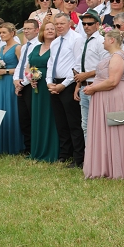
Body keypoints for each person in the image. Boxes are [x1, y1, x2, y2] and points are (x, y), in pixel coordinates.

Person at [82, 28, 124, 180]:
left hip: (117, 97)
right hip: (109, 97)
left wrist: (93, 88)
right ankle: (108, 166)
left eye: (105, 39)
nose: (103, 42)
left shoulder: (118, 57)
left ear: (112, 40)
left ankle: (122, 168)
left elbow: (113, 81)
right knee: (112, 130)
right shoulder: (113, 56)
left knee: (119, 130)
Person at [46, 13, 85, 167]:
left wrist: (65, 84)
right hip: (55, 83)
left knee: (73, 122)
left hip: (69, 84)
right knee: (61, 121)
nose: (59, 26)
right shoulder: (55, 42)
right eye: (56, 24)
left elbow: (77, 64)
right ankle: (64, 153)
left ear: (69, 23)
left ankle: (78, 156)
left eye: (62, 23)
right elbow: (51, 63)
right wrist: (49, 82)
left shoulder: (76, 39)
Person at [72, 11, 106, 145]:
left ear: (97, 25)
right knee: (85, 125)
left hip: (96, 85)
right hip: (84, 86)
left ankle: (99, 154)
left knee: (98, 124)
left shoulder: (101, 41)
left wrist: (86, 75)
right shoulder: (83, 40)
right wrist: (78, 85)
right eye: (84, 24)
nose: (86, 26)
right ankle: (89, 155)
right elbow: (81, 65)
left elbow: (105, 67)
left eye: (90, 24)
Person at [28, 20, 60, 162]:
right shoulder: (36, 48)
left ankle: (52, 150)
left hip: (50, 84)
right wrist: (31, 78)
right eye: (47, 29)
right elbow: (29, 66)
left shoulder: (57, 46)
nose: (50, 31)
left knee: (51, 115)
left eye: (53, 28)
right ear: (42, 32)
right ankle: (38, 149)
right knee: (38, 115)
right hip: (37, 87)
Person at [0, 23, 22, 154]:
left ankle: (15, 144)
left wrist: (6, 71)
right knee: (1, 109)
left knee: (11, 109)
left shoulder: (17, 47)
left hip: (10, 81)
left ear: (12, 33)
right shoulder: (2, 47)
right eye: (0, 33)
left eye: (4, 32)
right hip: (1, 82)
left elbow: (21, 67)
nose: (1, 35)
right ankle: (2, 144)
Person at [14, 19, 40, 154]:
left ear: (37, 30)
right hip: (21, 85)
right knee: (23, 118)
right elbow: (20, 65)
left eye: (29, 28)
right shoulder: (24, 47)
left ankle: (34, 147)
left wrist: (22, 83)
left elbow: (33, 67)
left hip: (31, 84)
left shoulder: (39, 45)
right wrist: (15, 80)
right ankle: (27, 147)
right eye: (24, 29)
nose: (26, 31)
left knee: (32, 116)